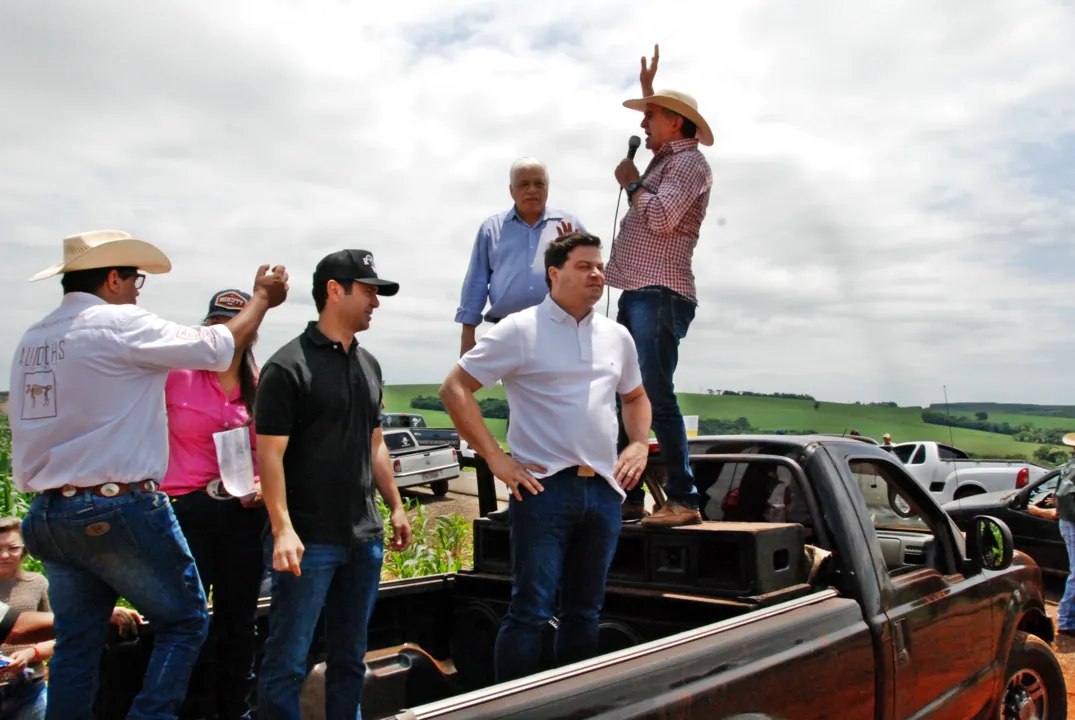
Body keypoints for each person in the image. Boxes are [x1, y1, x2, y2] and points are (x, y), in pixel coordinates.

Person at [9, 229, 288, 720]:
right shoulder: (118, 325)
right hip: (116, 506)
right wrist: (263, 298)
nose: (139, 289)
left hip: (49, 513)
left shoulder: (35, 338)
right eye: (135, 279)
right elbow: (216, 344)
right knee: (184, 623)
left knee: (77, 643)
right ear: (113, 278)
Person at [440, 232, 651, 682]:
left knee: (585, 613)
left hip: (604, 492)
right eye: (583, 266)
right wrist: (496, 459)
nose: (597, 274)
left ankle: (572, 708)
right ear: (554, 274)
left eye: (599, 266)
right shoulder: (519, 328)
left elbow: (635, 397)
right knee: (530, 611)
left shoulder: (617, 336)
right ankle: (512, 711)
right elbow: (454, 388)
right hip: (543, 490)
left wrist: (637, 444)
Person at [255, 250, 413, 720]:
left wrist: (396, 506)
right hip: (309, 541)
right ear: (333, 290)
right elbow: (269, 455)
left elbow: (375, 444)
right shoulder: (288, 367)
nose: (375, 303)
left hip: (363, 540)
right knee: (288, 661)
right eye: (368, 292)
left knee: (350, 658)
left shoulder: (369, 365)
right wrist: (282, 529)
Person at [607, 45, 715, 527]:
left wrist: (632, 184)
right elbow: (663, 135)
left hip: (659, 291)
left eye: (651, 116)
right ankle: (629, 498)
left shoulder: (688, 165)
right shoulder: (669, 159)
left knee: (651, 390)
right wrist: (651, 92)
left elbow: (661, 216)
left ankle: (684, 499)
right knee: (627, 391)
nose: (643, 125)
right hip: (642, 291)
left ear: (675, 122)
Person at [162, 289, 269, 720]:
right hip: (186, 510)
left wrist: (262, 486)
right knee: (186, 620)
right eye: (216, 323)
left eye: (234, 323)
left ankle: (234, 710)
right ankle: (187, 710)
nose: (224, 331)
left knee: (238, 620)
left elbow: (272, 451)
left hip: (242, 514)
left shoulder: (260, 384)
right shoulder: (174, 373)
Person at [0, 517, 141, 720]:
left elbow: (52, 631)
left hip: (28, 687)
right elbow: (16, 628)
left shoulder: (37, 583)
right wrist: (96, 615)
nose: (5, 555)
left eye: (12, 547)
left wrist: (30, 653)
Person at [455, 157, 585, 355]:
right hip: (508, 330)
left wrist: (576, 254)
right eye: (524, 184)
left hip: (561, 327)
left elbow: (591, 272)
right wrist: (467, 336)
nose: (532, 190)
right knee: (516, 387)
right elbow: (476, 282)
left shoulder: (568, 224)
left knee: (560, 386)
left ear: (547, 188)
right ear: (511, 190)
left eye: (539, 184)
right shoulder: (492, 228)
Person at [1028, 433, 1075, 638]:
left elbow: (1060, 497)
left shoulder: (1068, 467)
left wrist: (1048, 506)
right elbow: (1063, 498)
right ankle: (1066, 621)